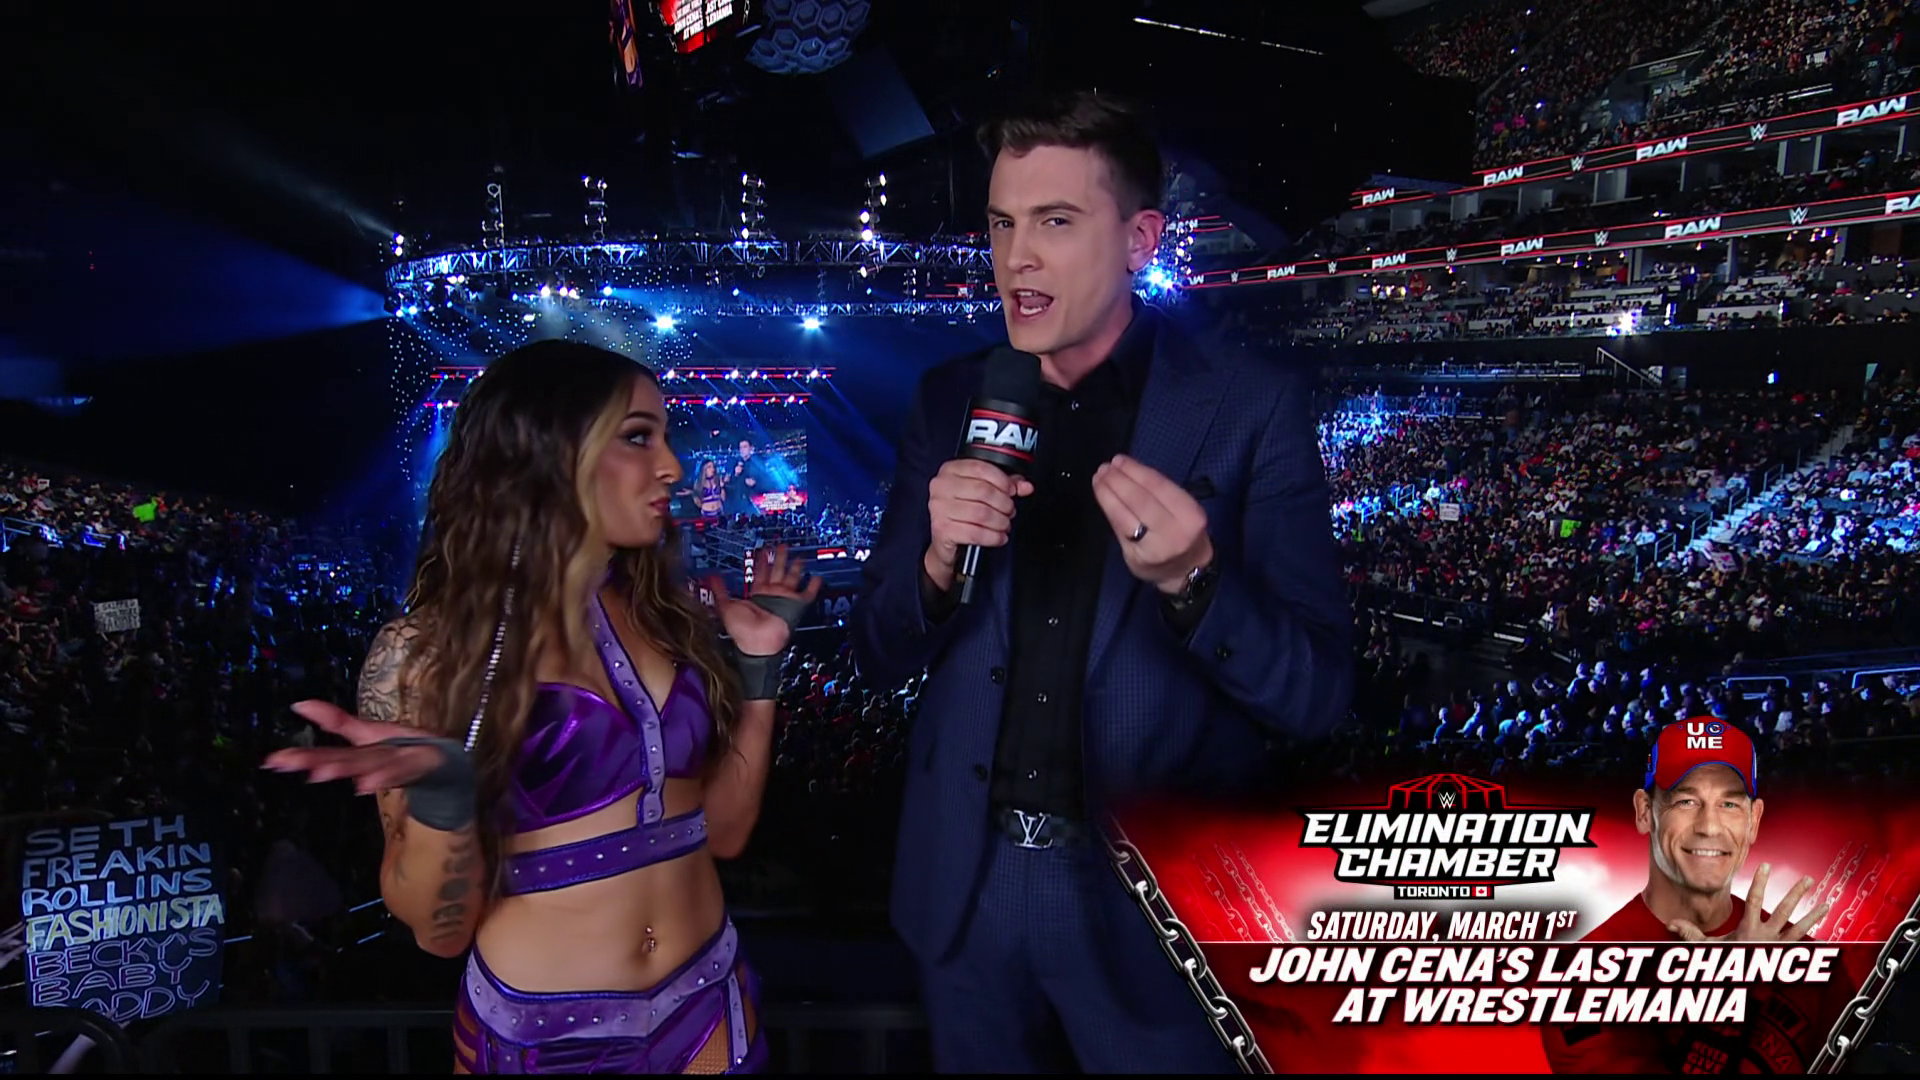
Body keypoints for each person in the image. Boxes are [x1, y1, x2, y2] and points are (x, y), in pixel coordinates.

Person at [849, 90, 1353, 1072]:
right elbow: (875, 649)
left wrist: (1196, 582)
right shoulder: (951, 398)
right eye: (1001, 224)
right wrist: (936, 564)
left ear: (1139, 240)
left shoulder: (1251, 406)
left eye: (1055, 222)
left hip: (1153, 910)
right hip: (969, 891)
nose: (1016, 258)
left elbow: (1318, 696)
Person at [264, 341, 818, 1074]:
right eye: (638, 436)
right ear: (547, 451)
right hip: (546, 1039)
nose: (673, 467)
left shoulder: (666, 620)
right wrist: (442, 804)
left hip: (709, 1005)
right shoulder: (430, 652)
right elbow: (438, 932)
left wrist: (758, 669)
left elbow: (724, 832)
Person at [1542, 719, 1856, 1074]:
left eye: (1730, 804)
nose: (1709, 826)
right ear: (1645, 812)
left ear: (1753, 821)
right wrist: (1733, 988)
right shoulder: (1579, 975)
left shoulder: (1813, 965)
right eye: (1686, 801)